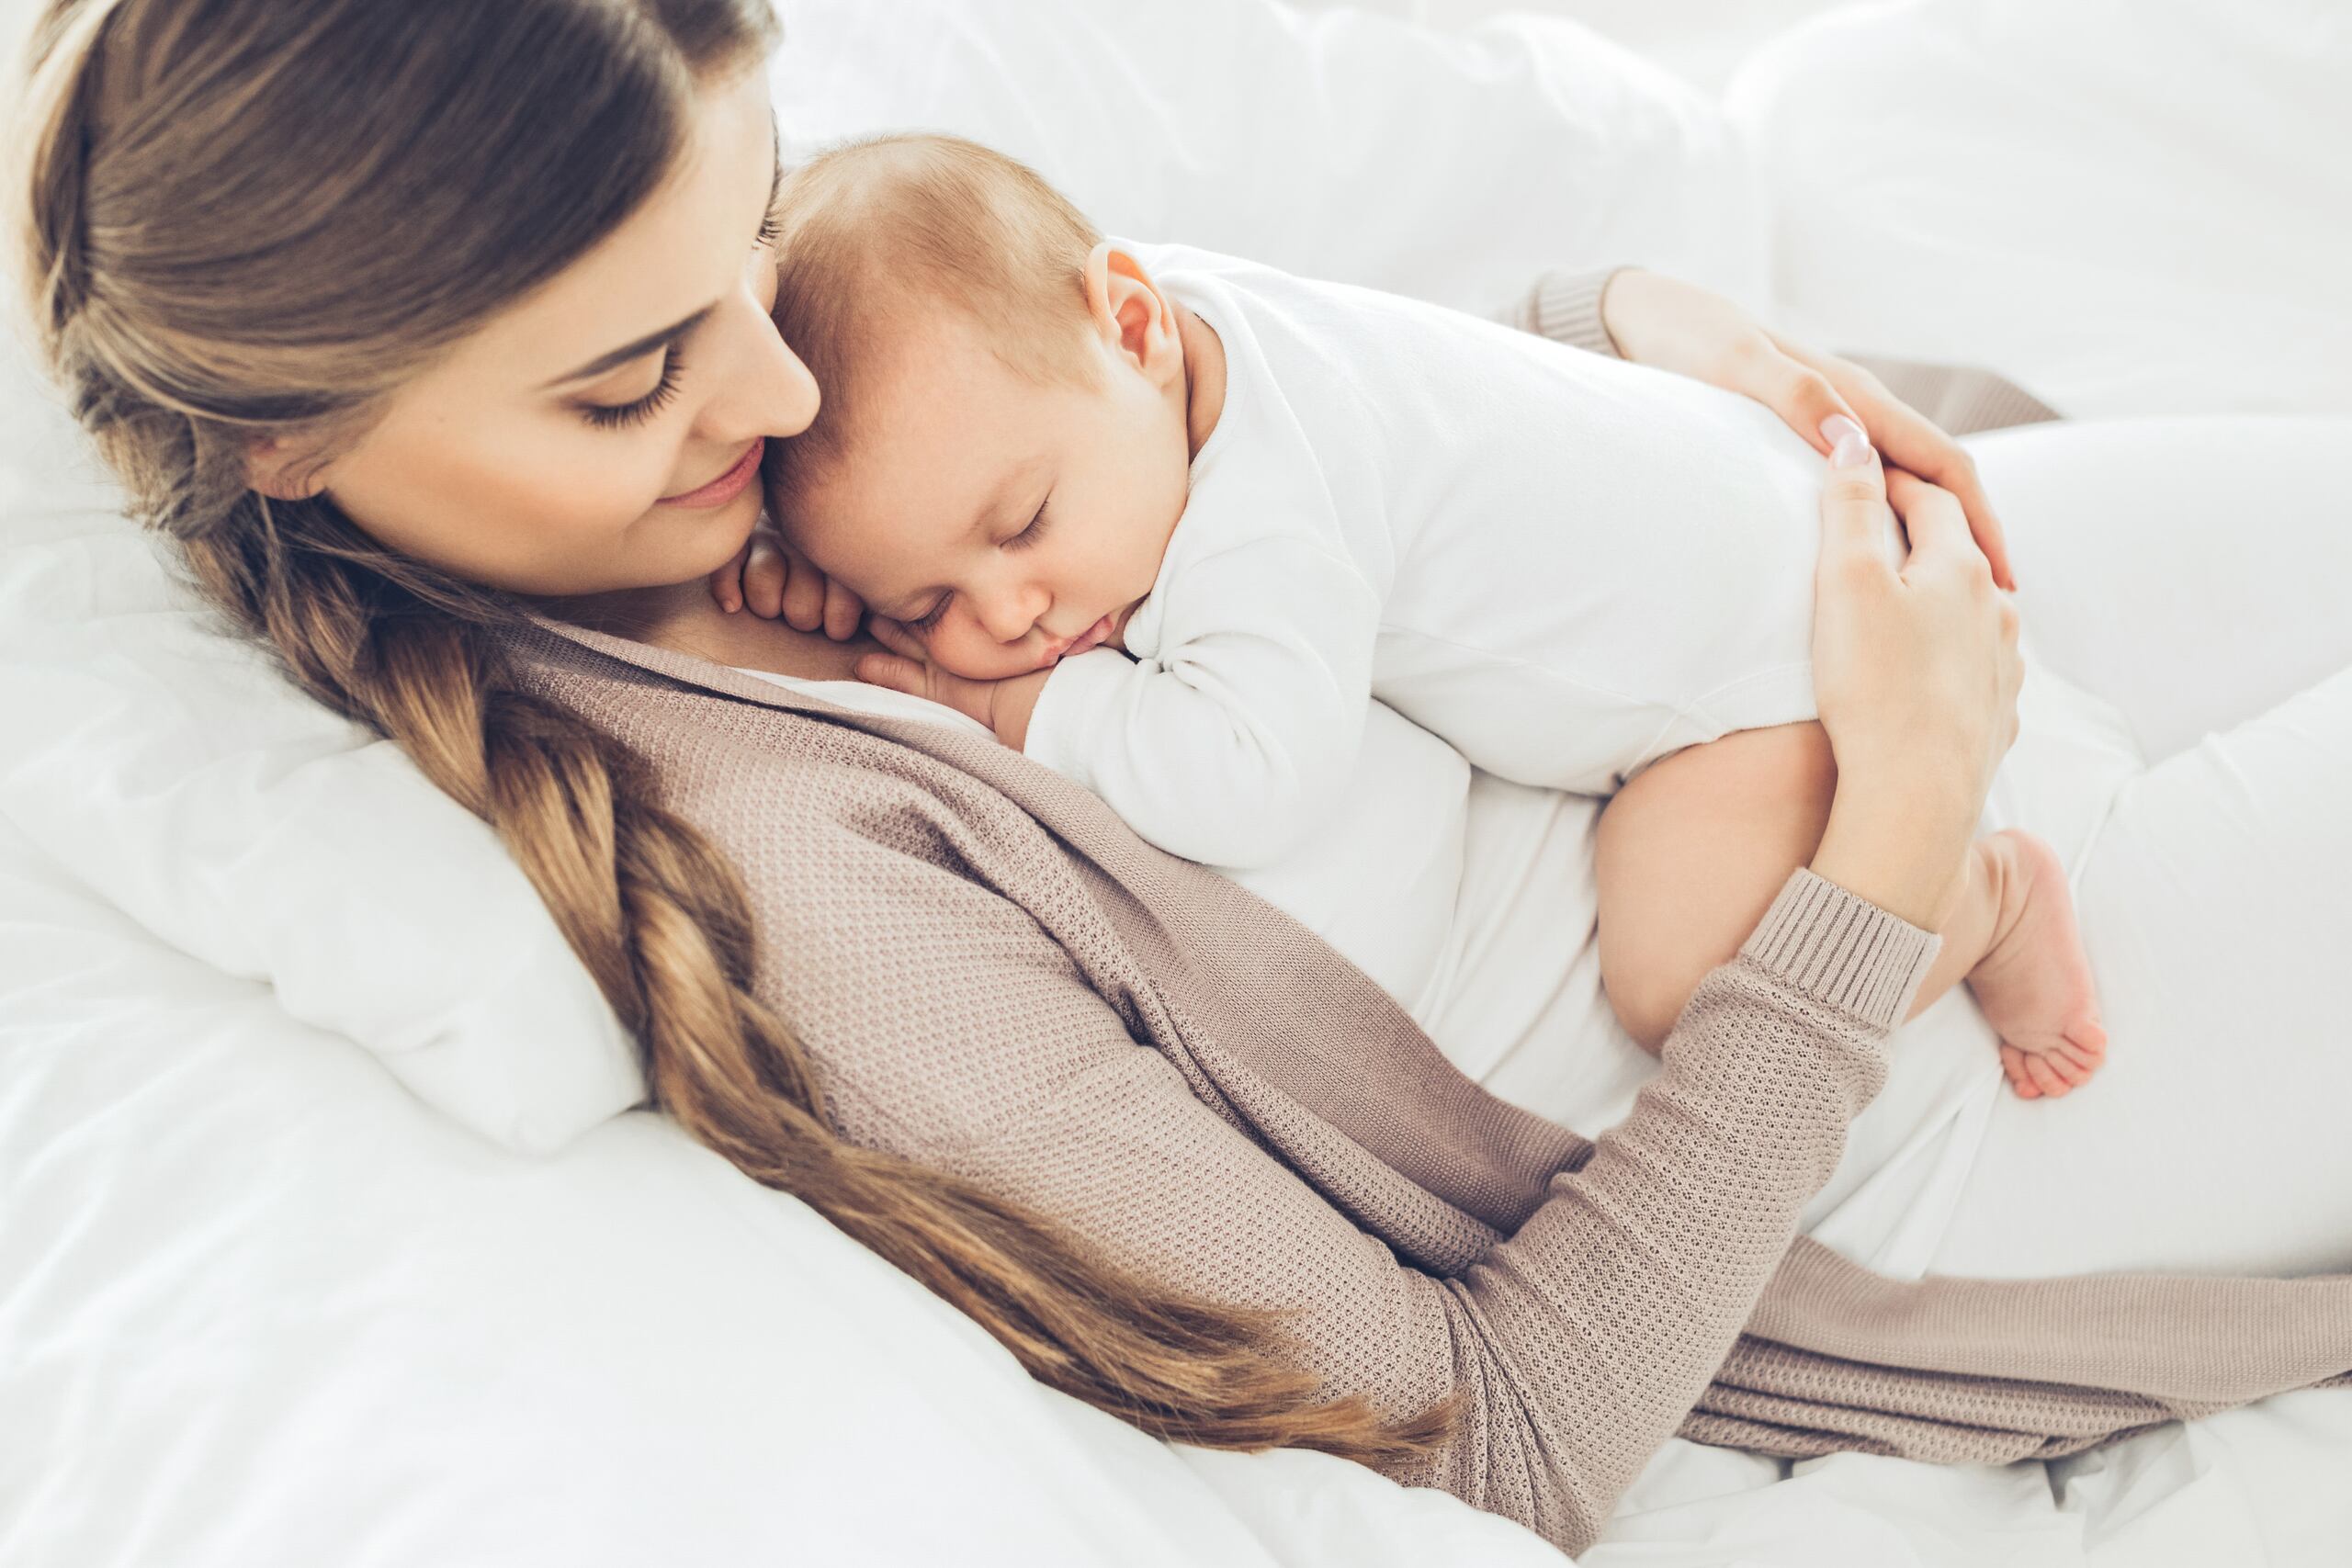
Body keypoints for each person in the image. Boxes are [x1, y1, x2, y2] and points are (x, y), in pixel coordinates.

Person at [16, 1, 2346, 1557]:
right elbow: (1497, 1424)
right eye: (634, 382)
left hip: (1790, 653)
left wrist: (1637, 348)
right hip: (1899, 1067)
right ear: (293, 444)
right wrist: (1896, 847)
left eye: (752, 241)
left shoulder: (753, 355)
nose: (785, 394)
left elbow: (1180, 394)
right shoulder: (788, 880)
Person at [734, 131, 2105, 1099]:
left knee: (1676, 975)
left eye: (1022, 525)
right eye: (925, 603)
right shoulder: (1174, 335)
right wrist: (820, 576)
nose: (1016, 612)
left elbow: (1249, 779)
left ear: (1132, 326)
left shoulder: (1265, 517)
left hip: (1766, 668)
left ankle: (1983, 895)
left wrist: (1016, 711)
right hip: (1748, 505)